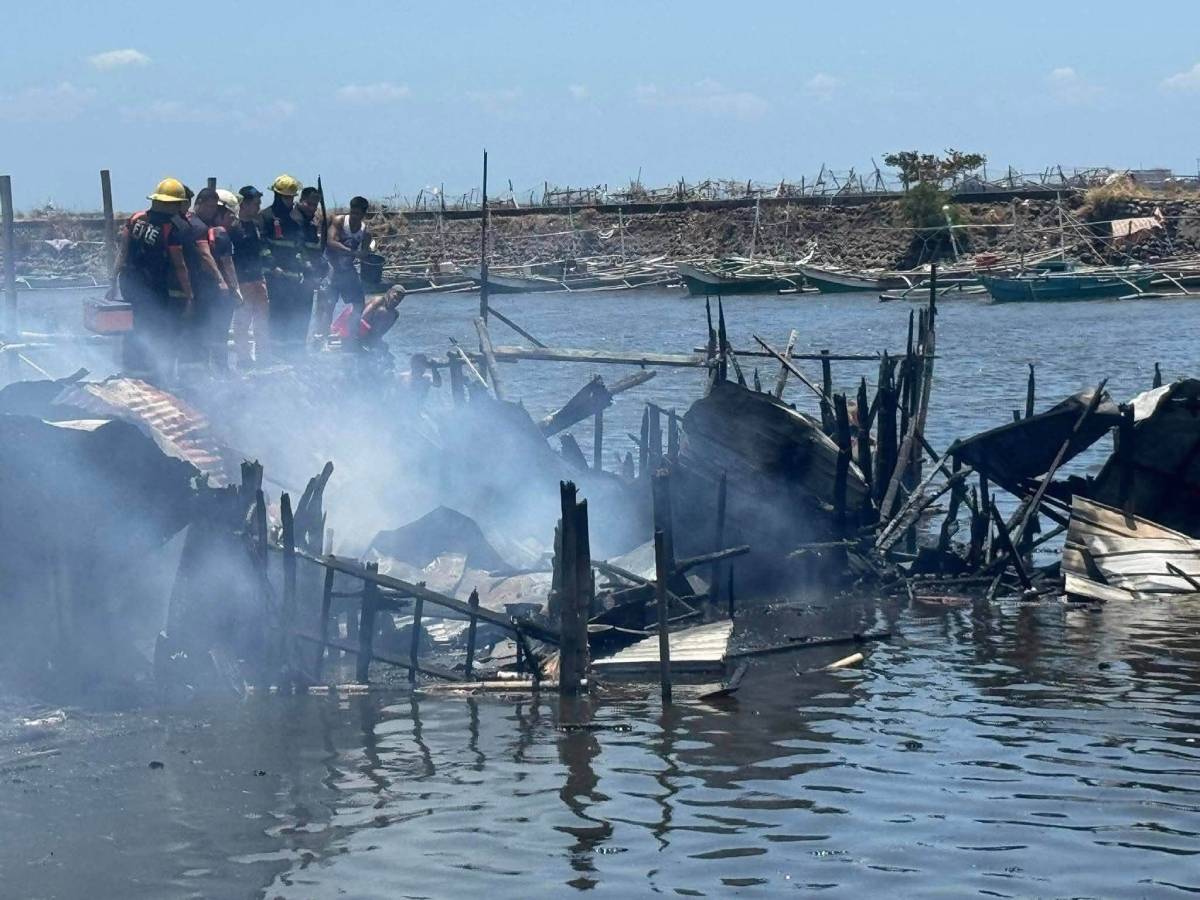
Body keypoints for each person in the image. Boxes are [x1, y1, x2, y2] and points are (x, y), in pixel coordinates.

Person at [108, 177, 194, 381]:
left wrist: (113, 281)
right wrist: (190, 295)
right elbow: (179, 265)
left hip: (129, 282)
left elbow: (123, 251)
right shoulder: (172, 229)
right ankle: (152, 375)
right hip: (154, 287)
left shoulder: (136, 219)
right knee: (155, 328)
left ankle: (133, 371)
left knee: (137, 326)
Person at [184, 187, 237, 369]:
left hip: (198, 285)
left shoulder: (197, 225)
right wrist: (223, 282)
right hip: (200, 286)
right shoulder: (199, 227)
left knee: (199, 330)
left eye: (214, 208)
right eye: (208, 207)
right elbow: (208, 257)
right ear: (197, 204)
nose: (211, 211)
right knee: (202, 329)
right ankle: (203, 370)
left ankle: (201, 369)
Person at [260, 174, 305, 357]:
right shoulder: (266, 216)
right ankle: (274, 352)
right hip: (274, 275)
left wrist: (301, 268)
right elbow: (262, 245)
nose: (291, 201)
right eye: (288, 197)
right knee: (276, 312)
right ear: (278, 196)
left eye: (293, 197)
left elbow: (298, 247)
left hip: (292, 275)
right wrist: (272, 266)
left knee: (291, 311)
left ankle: (289, 352)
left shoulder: (295, 219)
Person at [227, 185, 270, 366]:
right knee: (242, 322)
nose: (258, 207)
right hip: (242, 281)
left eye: (259, 203)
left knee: (262, 320)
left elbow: (263, 250)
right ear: (244, 204)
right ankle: (243, 359)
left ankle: (262, 356)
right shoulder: (233, 227)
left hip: (258, 279)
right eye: (255, 203)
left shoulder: (257, 224)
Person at [324, 196, 372, 339]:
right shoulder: (339, 221)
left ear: (363, 214)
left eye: (358, 214)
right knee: (329, 303)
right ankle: (324, 334)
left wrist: (364, 254)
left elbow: (364, 252)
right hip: (332, 266)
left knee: (359, 303)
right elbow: (330, 242)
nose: (354, 216)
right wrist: (351, 252)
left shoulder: (365, 232)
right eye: (352, 212)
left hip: (348, 270)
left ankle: (351, 333)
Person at [296, 186, 326, 344]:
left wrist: (320, 265)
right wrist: (307, 266)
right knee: (294, 312)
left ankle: (301, 346)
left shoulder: (312, 223)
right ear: (301, 201)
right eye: (310, 204)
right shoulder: (294, 219)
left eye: (316, 205)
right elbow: (298, 248)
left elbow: (315, 248)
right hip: (297, 275)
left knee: (305, 312)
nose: (313, 208)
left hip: (311, 275)